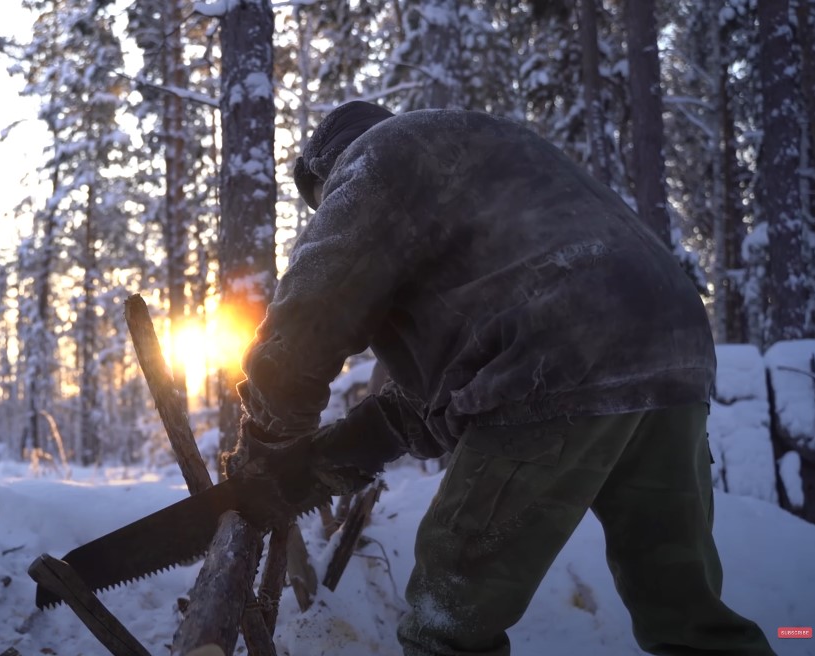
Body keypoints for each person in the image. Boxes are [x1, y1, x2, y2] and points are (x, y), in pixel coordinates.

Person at [229, 101, 776, 655]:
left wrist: (268, 438)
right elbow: (439, 389)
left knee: (447, 626)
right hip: (672, 345)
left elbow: (308, 317)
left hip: (556, 354)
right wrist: (333, 458)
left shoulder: (374, 160)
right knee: (687, 617)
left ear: (326, 177)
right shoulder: (470, 158)